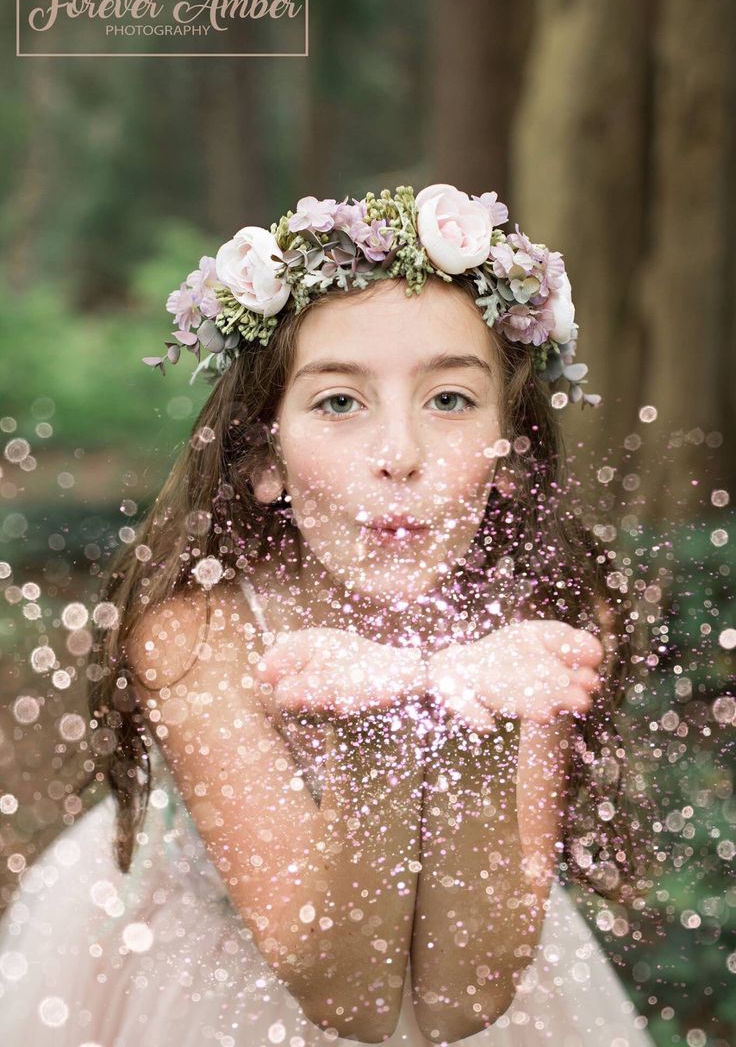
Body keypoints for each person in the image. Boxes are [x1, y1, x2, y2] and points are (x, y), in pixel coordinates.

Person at [0, 184, 657, 1045]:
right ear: (265, 459)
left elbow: (460, 1003)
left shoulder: (547, 620)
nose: (399, 457)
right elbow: (349, 1001)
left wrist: (484, 721)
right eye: (339, 402)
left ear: (509, 460)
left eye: (450, 400)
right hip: (218, 980)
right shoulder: (201, 637)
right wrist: (376, 727)